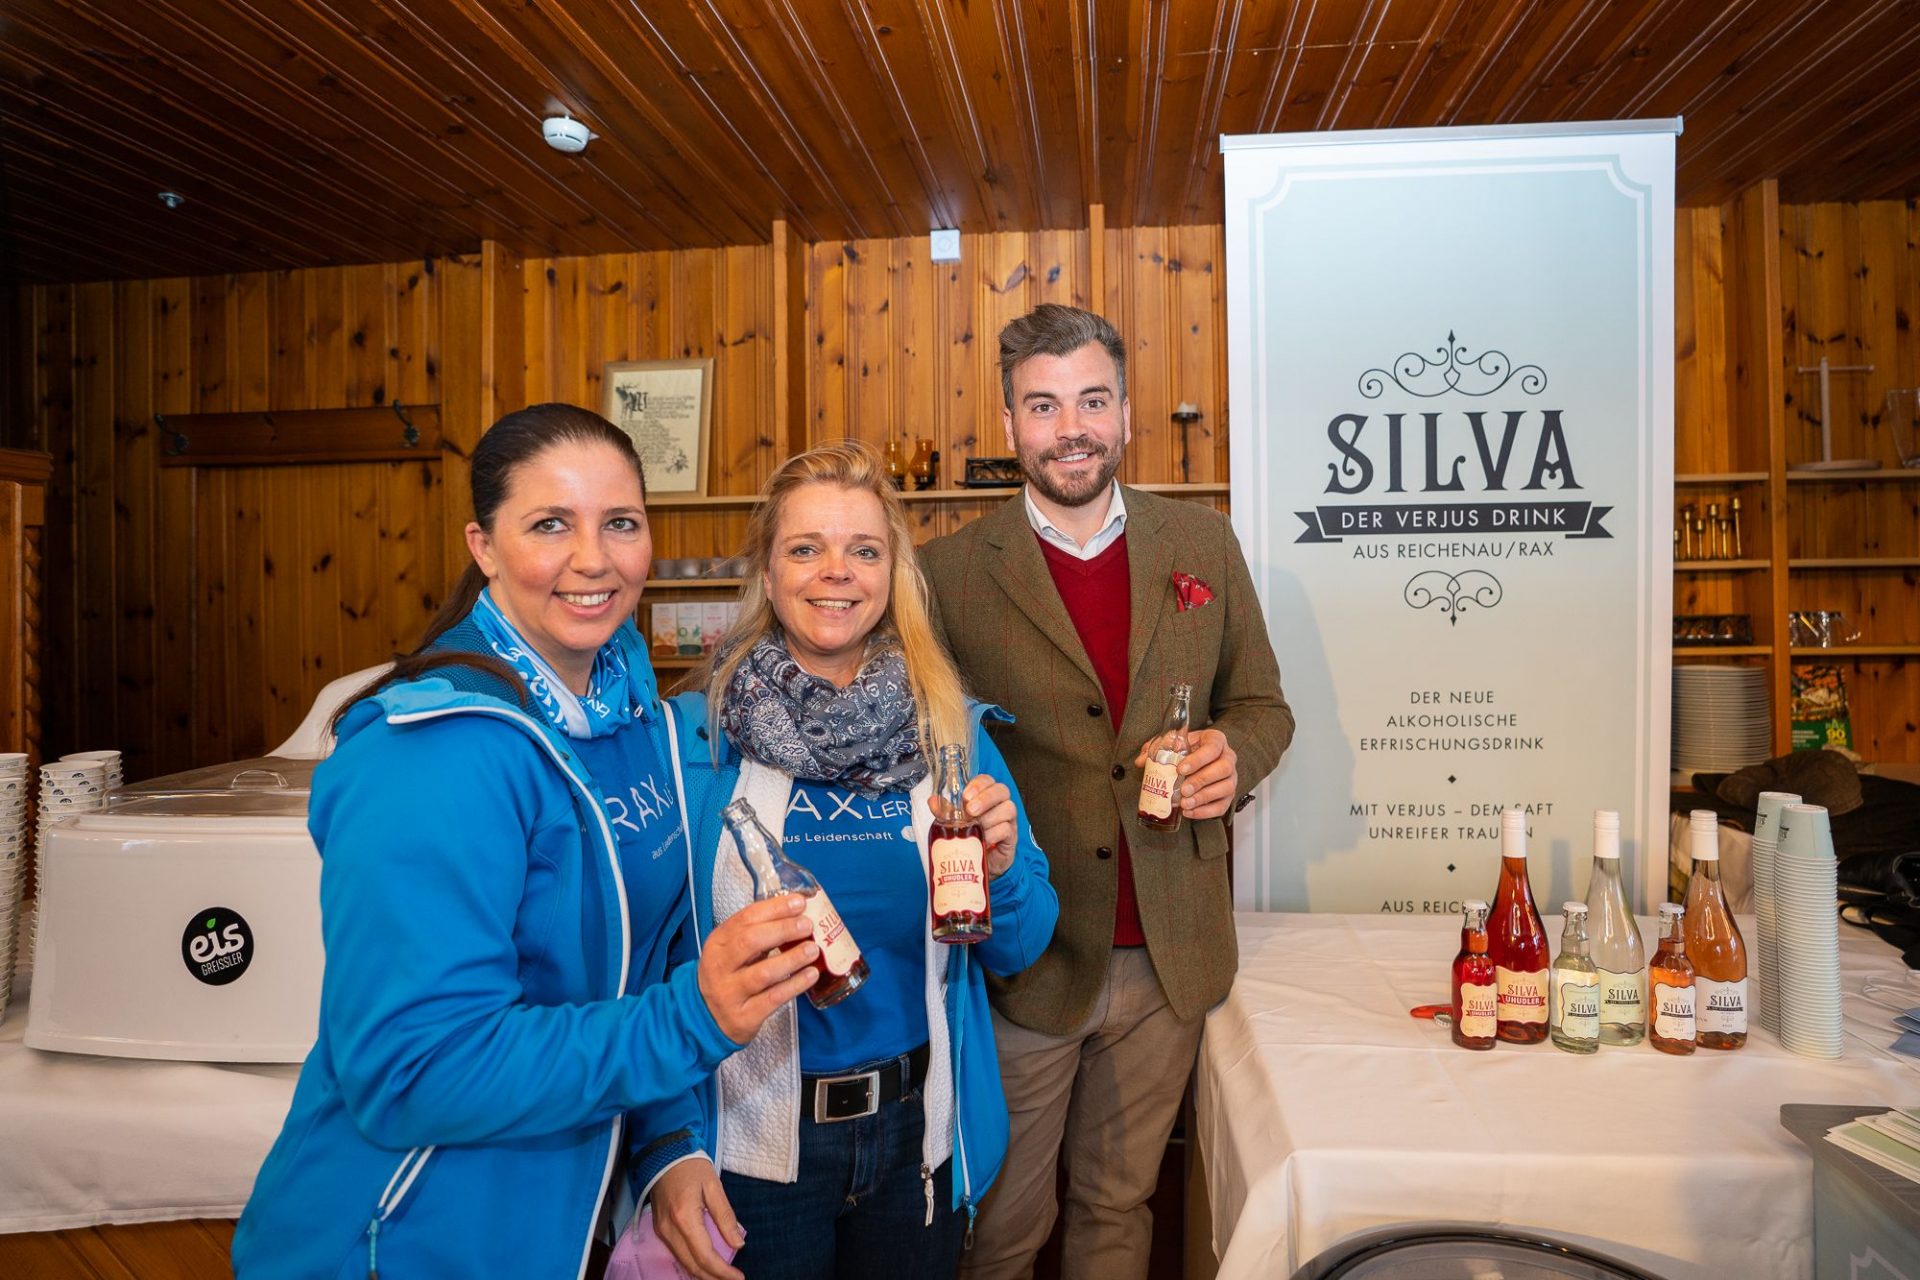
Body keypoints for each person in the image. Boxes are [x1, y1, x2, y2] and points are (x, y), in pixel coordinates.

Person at [232, 404, 822, 1279]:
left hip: (555, 1224)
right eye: (551, 524)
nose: (593, 559)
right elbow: (412, 1071)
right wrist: (691, 1021)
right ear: (483, 546)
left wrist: (668, 1143)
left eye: (620, 523)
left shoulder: (632, 717)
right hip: (401, 1238)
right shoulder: (429, 753)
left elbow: (641, 961)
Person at [920, 304, 1295, 1280]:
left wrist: (1233, 754)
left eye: (1092, 400)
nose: (1070, 427)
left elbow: (1262, 706)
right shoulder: (945, 573)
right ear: (1010, 422)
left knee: (1120, 1205)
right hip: (1024, 958)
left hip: (1171, 948)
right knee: (1001, 1224)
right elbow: (921, 746)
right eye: (1043, 405)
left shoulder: (1203, 543)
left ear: (1126, 412)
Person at [638, 440, 1059, 1280]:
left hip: (916, 1142)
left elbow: (1019, 948)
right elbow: (641, 969)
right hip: (750, 1149)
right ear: (767, 574)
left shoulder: (951, 730)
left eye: (864, 550)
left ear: (891, 574)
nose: (837, 571)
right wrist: (667, 1147)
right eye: (806, 548)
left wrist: (1004, 869)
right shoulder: (691, 739)